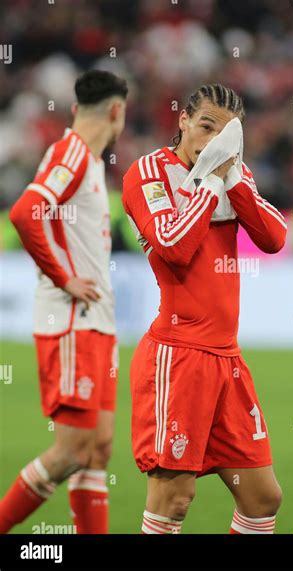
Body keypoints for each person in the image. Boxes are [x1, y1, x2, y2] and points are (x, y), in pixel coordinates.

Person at [122, 83, 287, 534]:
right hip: (178, 356)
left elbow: (274, 239)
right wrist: (213, 182)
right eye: (205, 126)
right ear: (183, 121)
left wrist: (232, 177)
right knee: (174, 499)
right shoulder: (148, 173)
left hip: (227, 361)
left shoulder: (234, 172)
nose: (212, 139)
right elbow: (172, 246)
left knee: (262, 498)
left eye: (225, 132)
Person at [0, 70, 128, 534]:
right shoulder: (71, 153)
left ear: (77, 109)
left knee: (97, 450)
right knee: (71, 451)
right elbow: (24, 212)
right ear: (117, 112)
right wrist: (65, 278)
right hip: (73, 321)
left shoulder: (89, 160)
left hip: (98, 322)